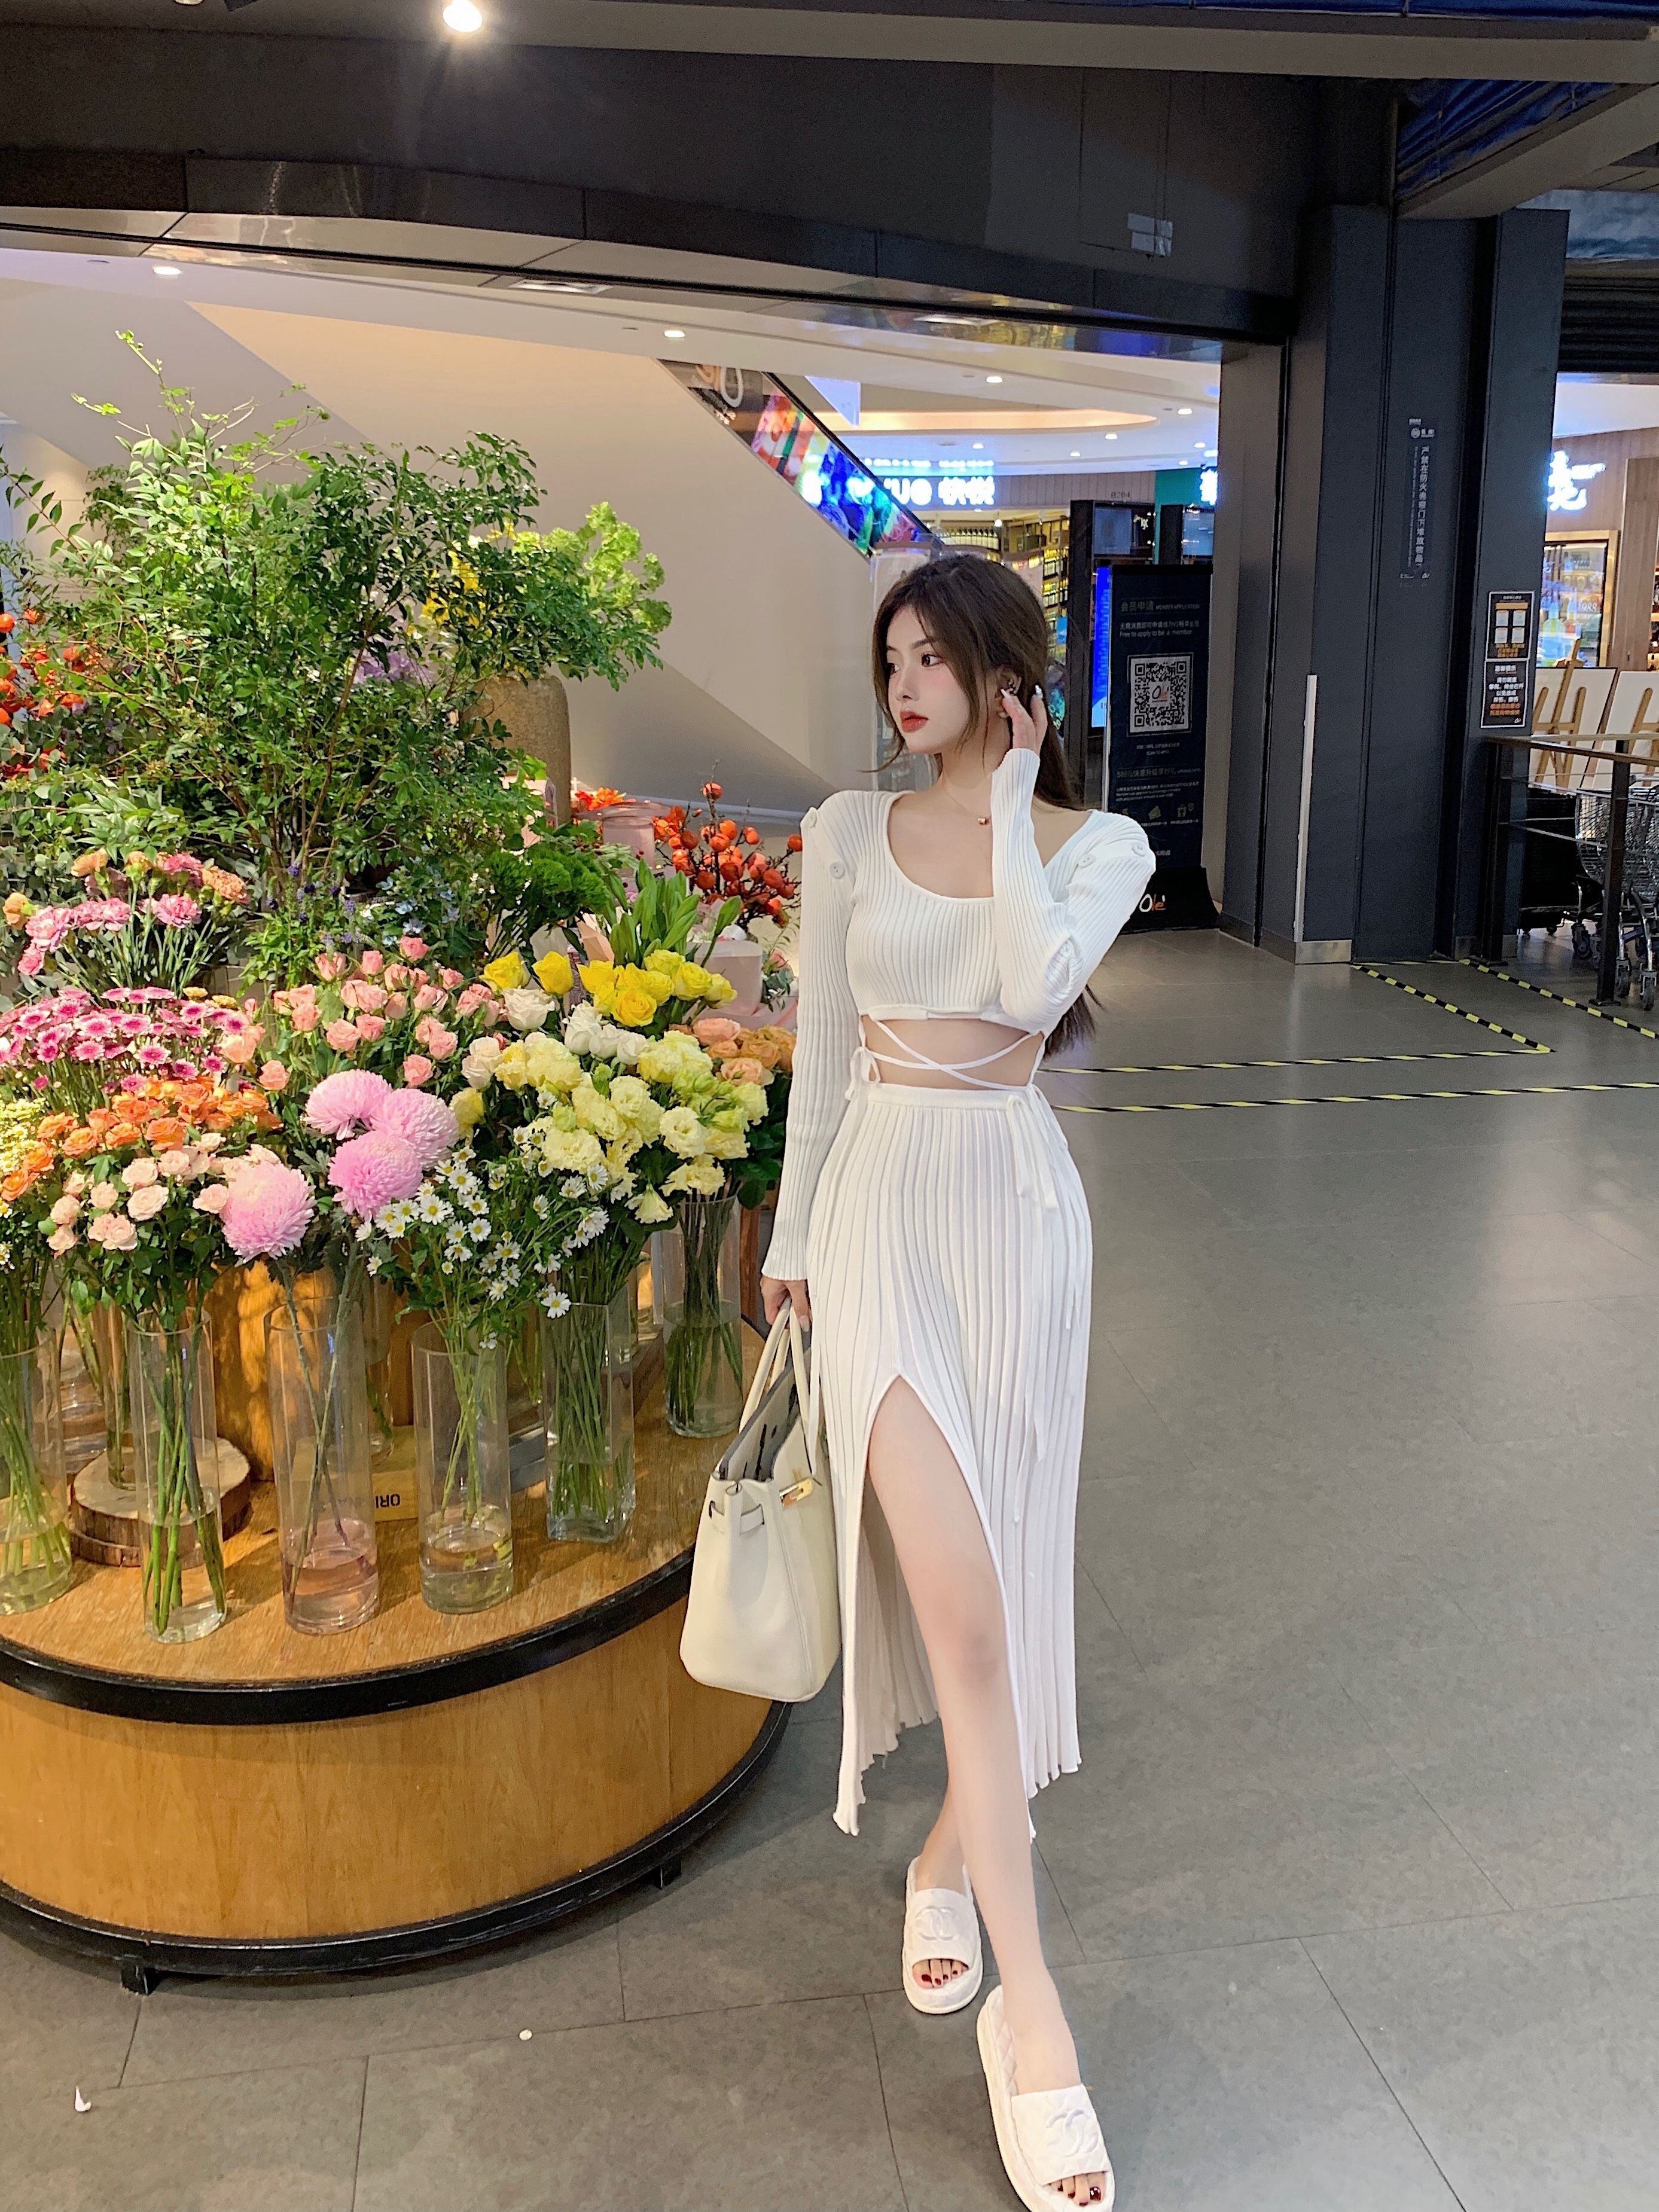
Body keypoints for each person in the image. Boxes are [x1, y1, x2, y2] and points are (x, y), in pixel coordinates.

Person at [760, 554, 1155, 2210]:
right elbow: (822, 1053)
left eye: (933, 659)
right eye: (894, 660)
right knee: (965, 1619)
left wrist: (1003, 805)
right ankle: (1034, 2015)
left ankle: (949, 1850)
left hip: (1018, 1224)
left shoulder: (1098, 845)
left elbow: (1027, 991)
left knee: (1008, 1578)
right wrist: (792, 1237)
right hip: (879, 1220)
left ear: (1007, 678)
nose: (904, 686)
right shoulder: (843, 832)